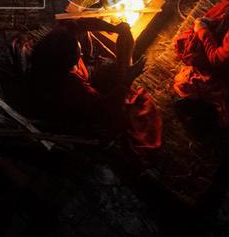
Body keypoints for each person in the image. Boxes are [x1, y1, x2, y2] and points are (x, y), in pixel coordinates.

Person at [27, 20, 160, 149]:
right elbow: (102, 109)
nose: (81, 53)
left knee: (87, 35)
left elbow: (81, 24)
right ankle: (123, 71)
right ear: (69, 63)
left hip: (62, 78)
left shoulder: (58, 38)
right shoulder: (73, 86)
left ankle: (120, 68)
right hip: (76, 115)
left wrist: (112, 28)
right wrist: (126, 82)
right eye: (78, 53)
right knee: (119, 77)